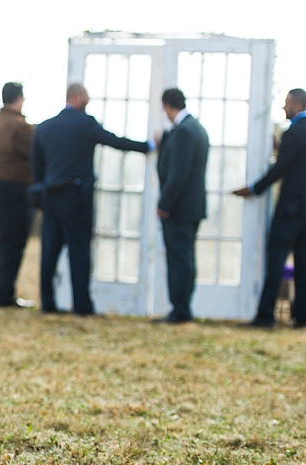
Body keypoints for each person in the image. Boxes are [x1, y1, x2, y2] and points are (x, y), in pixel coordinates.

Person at [32, 83, 151, 315]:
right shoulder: (85, 123)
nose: (88, 101)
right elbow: (115, 141)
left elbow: (37, 168)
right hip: (76, 197)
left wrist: (39, 201)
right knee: (79, 251)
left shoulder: (44, 127)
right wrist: (147, 146)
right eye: (86, 97)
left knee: (49, 252)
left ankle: (48, 303)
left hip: (50, 197)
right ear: (77, 97)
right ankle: (82, 306)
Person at [233, 88, 306, 329]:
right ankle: (301, 316)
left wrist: (254, 188)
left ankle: (265, 315)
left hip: (290, 211)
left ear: (296, 105)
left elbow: (280, 169)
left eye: (286, 104)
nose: (284, 108)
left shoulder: (294, 131)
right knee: (303, 264)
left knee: (275, 261)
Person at [154, 88, 209, 324]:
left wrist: (164, 204)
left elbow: (178, 174)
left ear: (167, 106)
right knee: (185, 258)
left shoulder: (185, 131)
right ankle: (182, 307)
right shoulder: (194, 128)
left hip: (180, 208)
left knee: (179, 260)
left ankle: (180, 310)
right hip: (191, 207)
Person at [0, 81, 36, 309]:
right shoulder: (19, 127)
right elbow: (36, 153)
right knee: (13, 243)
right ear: (19, 99)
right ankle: (5, 296)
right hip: (12, 188)